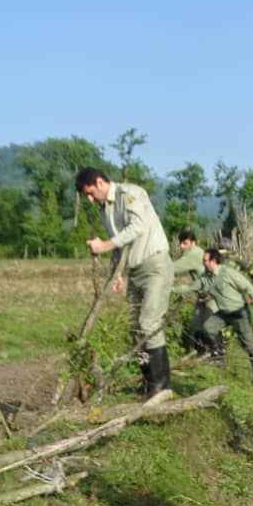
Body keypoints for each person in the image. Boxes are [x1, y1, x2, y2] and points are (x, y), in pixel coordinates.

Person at [77, 167, 174, 396]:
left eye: (90, 193)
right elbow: (121, 244)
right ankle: (148, 380)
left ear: (100, 182)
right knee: (135, 330)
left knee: (149, 323)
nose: (90, 200)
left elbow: (136, 228)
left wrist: (104, 245)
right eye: (86, 196)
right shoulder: (104, 210)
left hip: (155, 266)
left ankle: (162, 385)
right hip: (135, 271)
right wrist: (117, 273)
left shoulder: (130, 194)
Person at [174, 248, 253, 384]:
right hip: (224, 313)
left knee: (250, 346)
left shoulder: (228, 273)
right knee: (207, 328)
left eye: (205, 260)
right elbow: (191, 286)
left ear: (213, 261)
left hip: (239, 313)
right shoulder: (206, 278)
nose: (203, 263)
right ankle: (217, 354)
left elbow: (249, 288)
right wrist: (171, 289)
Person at [173, 230, 216, 355]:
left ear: (193, 243)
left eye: (185, 243)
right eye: (181, 243)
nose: (182, 246)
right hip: (202, 295)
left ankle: (218, 356)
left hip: (212, 295)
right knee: (197, 325)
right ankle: (200, 353)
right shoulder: (192, 253)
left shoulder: (195, 254)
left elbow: (173, 267)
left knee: (210, 326)